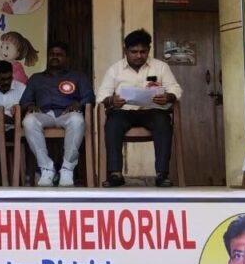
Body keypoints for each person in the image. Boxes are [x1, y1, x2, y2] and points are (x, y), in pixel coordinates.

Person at [97, 29, 183, 188]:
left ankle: (162, 175)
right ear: (125, 50)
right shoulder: (115, 69)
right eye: (134, 52)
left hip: (152, 111)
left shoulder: (161, 67)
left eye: (143, 52)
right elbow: (102, 95)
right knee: (113, 123)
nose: (138, 56)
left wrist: (168, 96)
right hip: (123, 112)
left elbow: (176, 90)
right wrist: (112, 100)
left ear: (149, 50)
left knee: (163, 122)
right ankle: (115, 174)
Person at [19, 41, 94, 187]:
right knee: (28, 121)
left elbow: (90, 97)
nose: (55, 57)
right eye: (52, 54)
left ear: (67, 58)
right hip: (44, 114)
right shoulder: (36, 78)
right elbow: (25, 100)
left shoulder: (78, 77)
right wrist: (30, 105)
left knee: (77, 120)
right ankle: (46, 168)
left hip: (67, 114)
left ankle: (67, 169)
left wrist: (78, 104)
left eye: (59, 54)